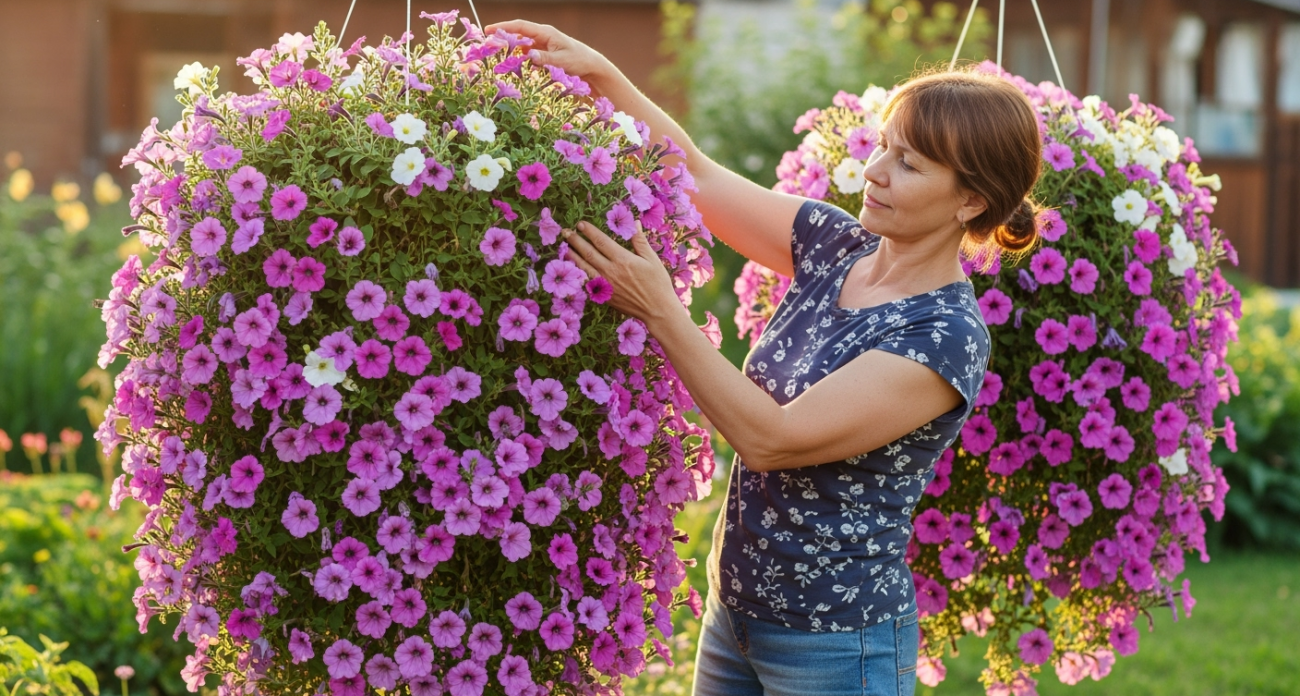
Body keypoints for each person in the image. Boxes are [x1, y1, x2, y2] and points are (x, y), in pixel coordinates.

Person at [486, 19, 1042, 696]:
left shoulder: (945, 334)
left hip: (837, 647)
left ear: (972, 200)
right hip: (735, 619)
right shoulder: (835, 246)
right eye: (885, 148)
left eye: (908, 164)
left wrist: (662, 310)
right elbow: (690, 174)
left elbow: (769, 439)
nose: (873, 172)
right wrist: (599, 69)